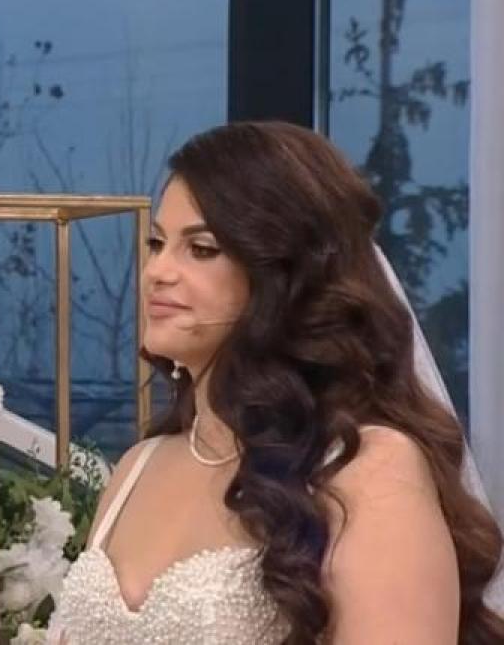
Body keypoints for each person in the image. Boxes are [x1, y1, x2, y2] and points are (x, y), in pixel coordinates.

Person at [50, 121, 504, 644]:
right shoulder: (137, 467)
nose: (158, 271)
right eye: (157, 243)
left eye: (201, 249)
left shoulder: (365, 467)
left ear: (284, 276)